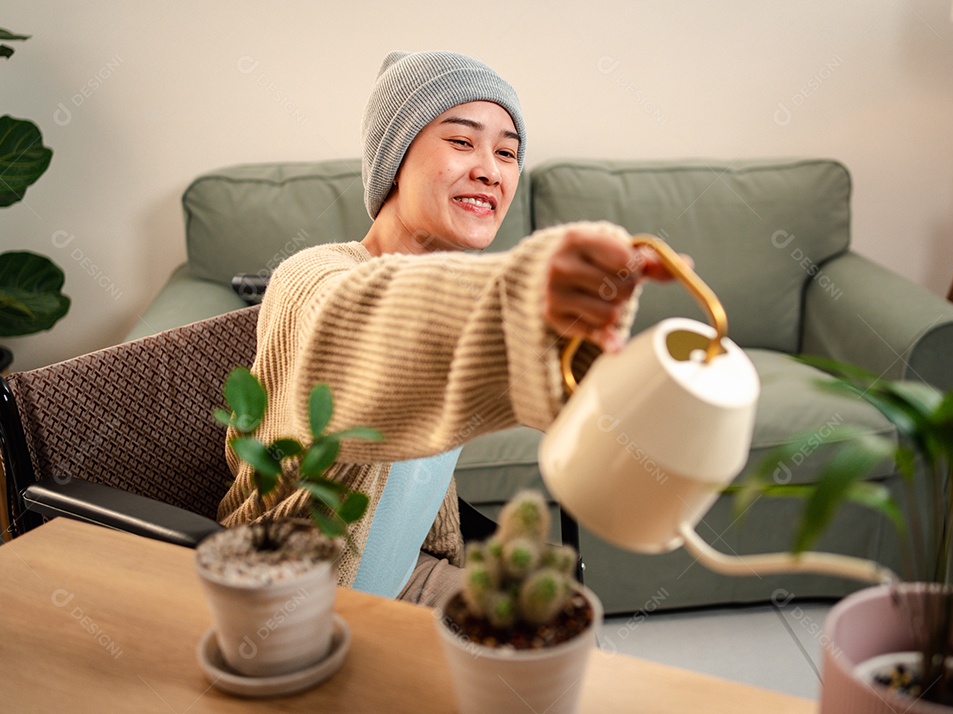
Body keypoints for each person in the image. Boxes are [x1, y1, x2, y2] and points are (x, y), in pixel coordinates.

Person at [217, 50, 677, 606]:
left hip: (409, 576)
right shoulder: (311, 275)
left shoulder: (457, 296)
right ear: (396, 157)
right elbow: (367, 326)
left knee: (568, 632)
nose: (490, 169)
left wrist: (591, 327)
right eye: (461, 142)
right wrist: (527, 285)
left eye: (507, 153)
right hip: (299, 596)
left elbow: (547, 384)